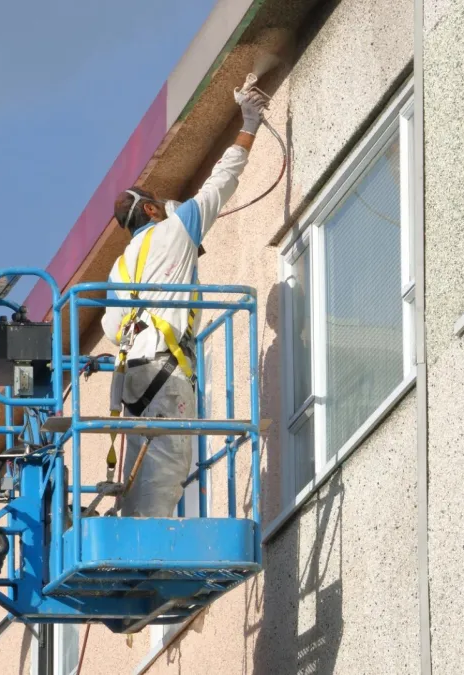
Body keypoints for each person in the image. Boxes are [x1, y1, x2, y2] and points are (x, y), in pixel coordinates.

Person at [99, 88, 268, 517]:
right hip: (165, 367)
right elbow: (220, 183)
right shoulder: (175, 230)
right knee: (169, 463)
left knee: (142, 467)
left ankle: (132, 540)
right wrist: (248, 123)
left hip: (133, 373)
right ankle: (144, 559)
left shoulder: (121, 266)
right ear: (153, 210)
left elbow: (109, 326)